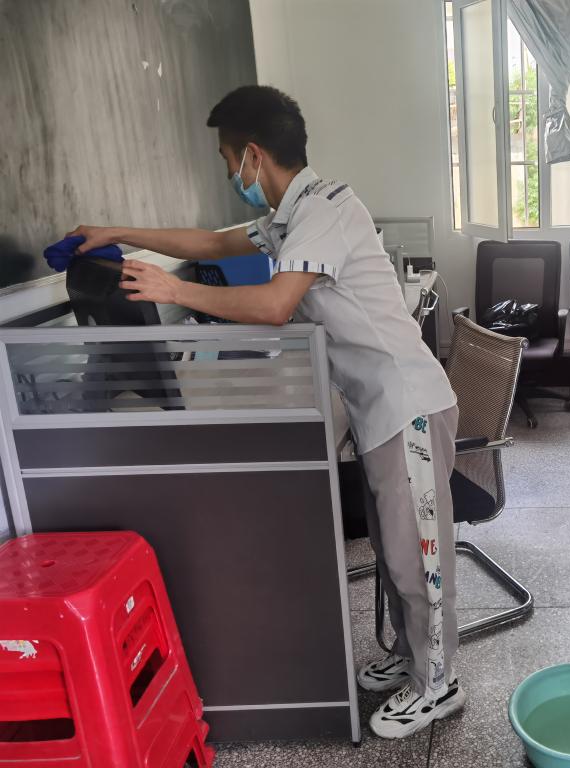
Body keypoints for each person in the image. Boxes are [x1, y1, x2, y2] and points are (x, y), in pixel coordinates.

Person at [62, 85, 463, 739]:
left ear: (252, 154)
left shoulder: (325, 208)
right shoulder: (289, 217)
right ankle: (413, 657)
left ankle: (439, 684)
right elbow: (211, 243)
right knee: (395, 550)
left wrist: (172, 289)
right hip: (379, 407)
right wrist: (117, 232)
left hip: (407, 405)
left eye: (227, 160)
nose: (229, 174)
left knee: (418, 555)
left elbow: (276, 304)